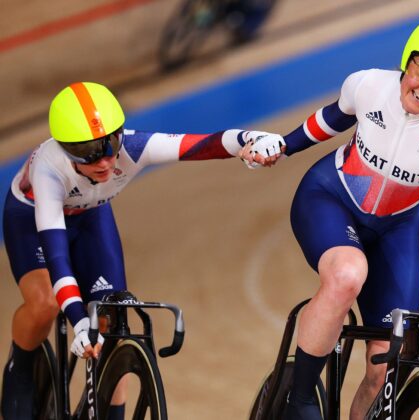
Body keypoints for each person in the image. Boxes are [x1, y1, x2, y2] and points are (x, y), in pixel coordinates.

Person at [243, 15, 419, 419]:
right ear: (407, 62)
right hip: (329, 198)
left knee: (386, 361)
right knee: (347, 274)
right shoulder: (369, 85)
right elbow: (331, 118)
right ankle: (301, 399)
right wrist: (282, 147)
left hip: (395, 228)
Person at [0, 81, 283, 419]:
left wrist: (248, 141)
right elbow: (58, 256)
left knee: (113, 316)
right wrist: (77, 320)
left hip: (90, 215)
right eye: (88, 152)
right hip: (32, 219)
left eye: (110, 145)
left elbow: (202, 144)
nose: (104, 160)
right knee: (46, 301)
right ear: (65, 149)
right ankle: (22, 366)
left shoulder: (133, 147)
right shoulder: (49, 168)